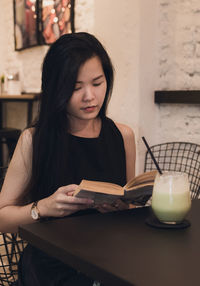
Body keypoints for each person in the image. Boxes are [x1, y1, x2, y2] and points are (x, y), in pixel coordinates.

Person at [0, 32, 136, 285]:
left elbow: (128, 205)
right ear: (55, 88)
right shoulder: (34, 140)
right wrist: (42, 208)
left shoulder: (123, 135)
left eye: (97, 83)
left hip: (109, 264)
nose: (89, 96)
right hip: (52, 270)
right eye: (75, 87)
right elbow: (2, 218)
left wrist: (122, 207)